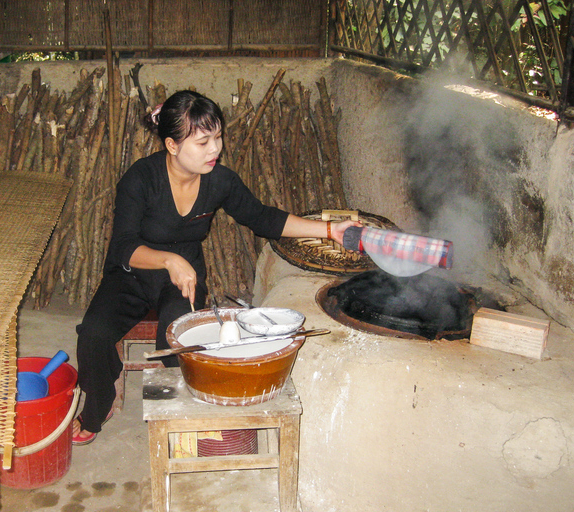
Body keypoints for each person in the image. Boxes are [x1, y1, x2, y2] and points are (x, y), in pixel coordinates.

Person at [72, 90, 360, 445]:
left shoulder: (219, 180)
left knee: (181, 343)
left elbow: (263, 218)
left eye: (218, 137)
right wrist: (168, 259)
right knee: (93, 335)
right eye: (203, 141)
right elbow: (122, 247)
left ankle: (195, 422)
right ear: (172, 146)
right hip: (132, 272)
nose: (215, 150)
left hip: (183, 280)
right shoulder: (140, 179)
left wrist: (331, 230)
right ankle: (97, 405)